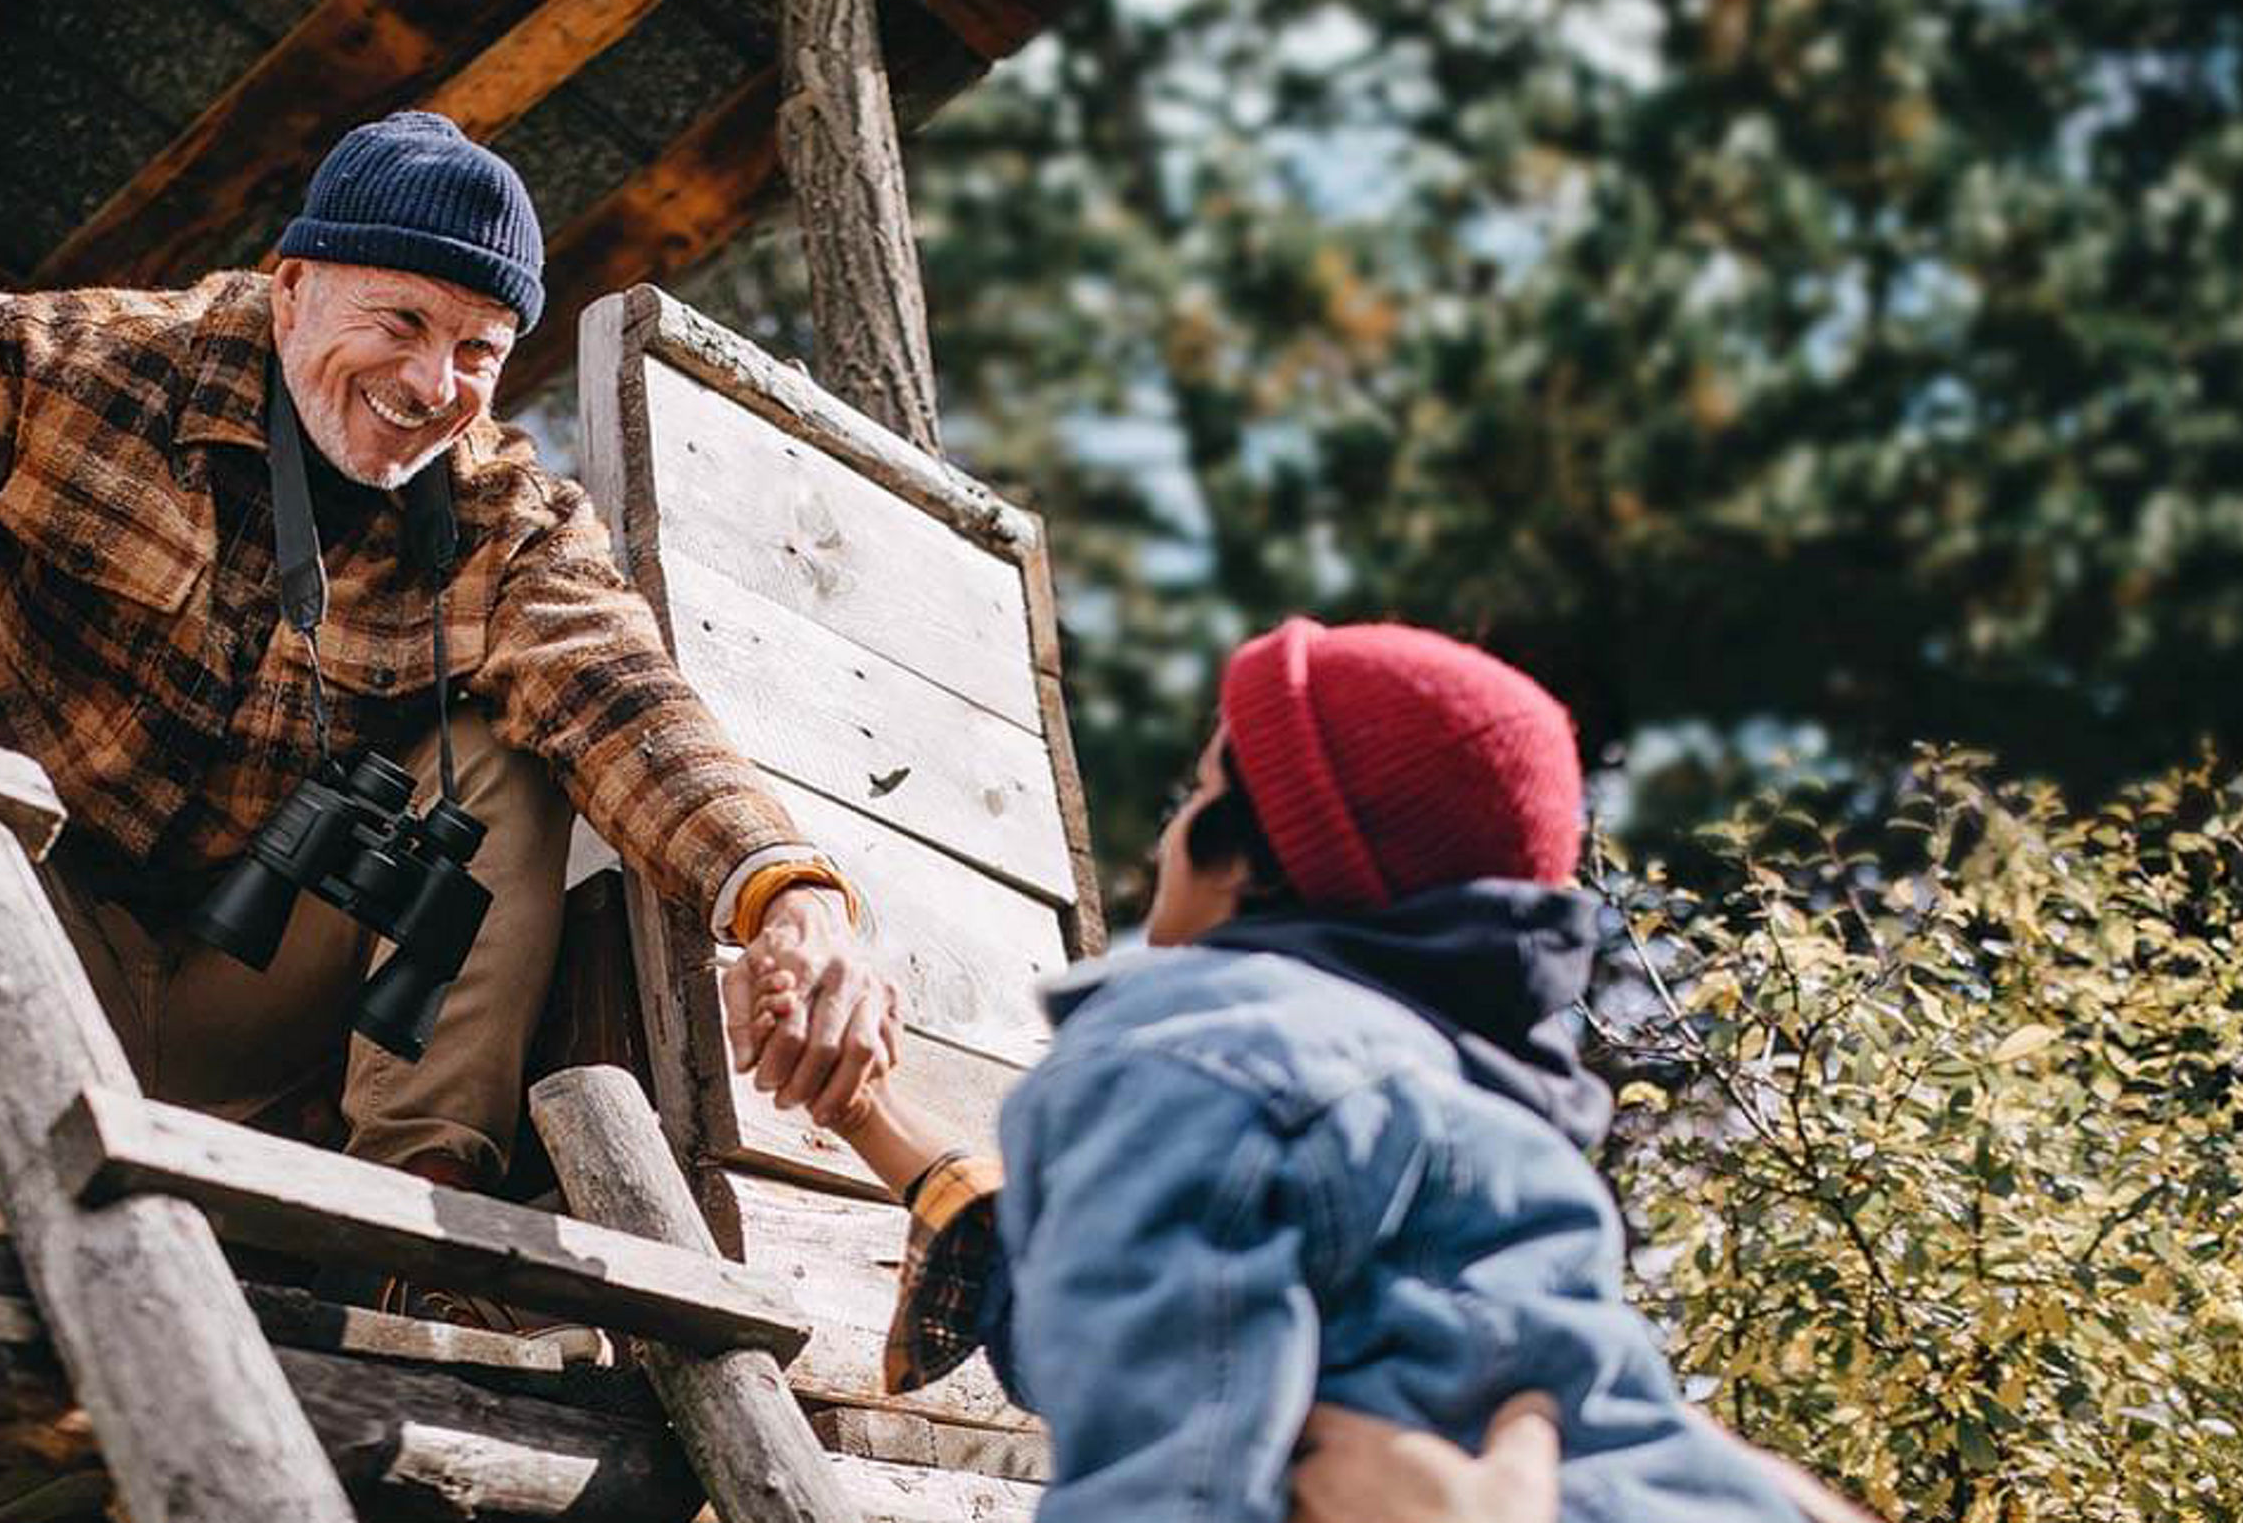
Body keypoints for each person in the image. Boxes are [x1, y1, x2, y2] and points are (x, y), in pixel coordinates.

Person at [0, 112, 896, 1224]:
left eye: (479, 349)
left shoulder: (509, 518)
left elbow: (625, 698)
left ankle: (411, 1221)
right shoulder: (44, 360)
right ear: (293, 283)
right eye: (403, 319)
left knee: (504, 759)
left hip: (252, 1008)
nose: (434, 382)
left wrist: (794, 895)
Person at [727, 616, 1808, 1522]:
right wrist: (869, 1113)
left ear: (1252, 857)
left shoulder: (1189, 1050)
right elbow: (1106, 1294)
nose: (1168, 841)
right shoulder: (1483, 1115)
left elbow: (1171, 1474)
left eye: (1193, 798)